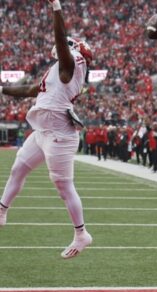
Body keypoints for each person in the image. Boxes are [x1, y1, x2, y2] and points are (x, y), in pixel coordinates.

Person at [0, 0, 92, 259]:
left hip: (59, 136)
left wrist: (56, 7)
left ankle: (81, 233)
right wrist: (1, 89)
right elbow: (30, 90)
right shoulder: (59, 71)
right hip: (43, 131)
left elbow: (61, 39)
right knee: (18, 168)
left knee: (63, 186)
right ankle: (1, 210)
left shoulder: (70, 65)